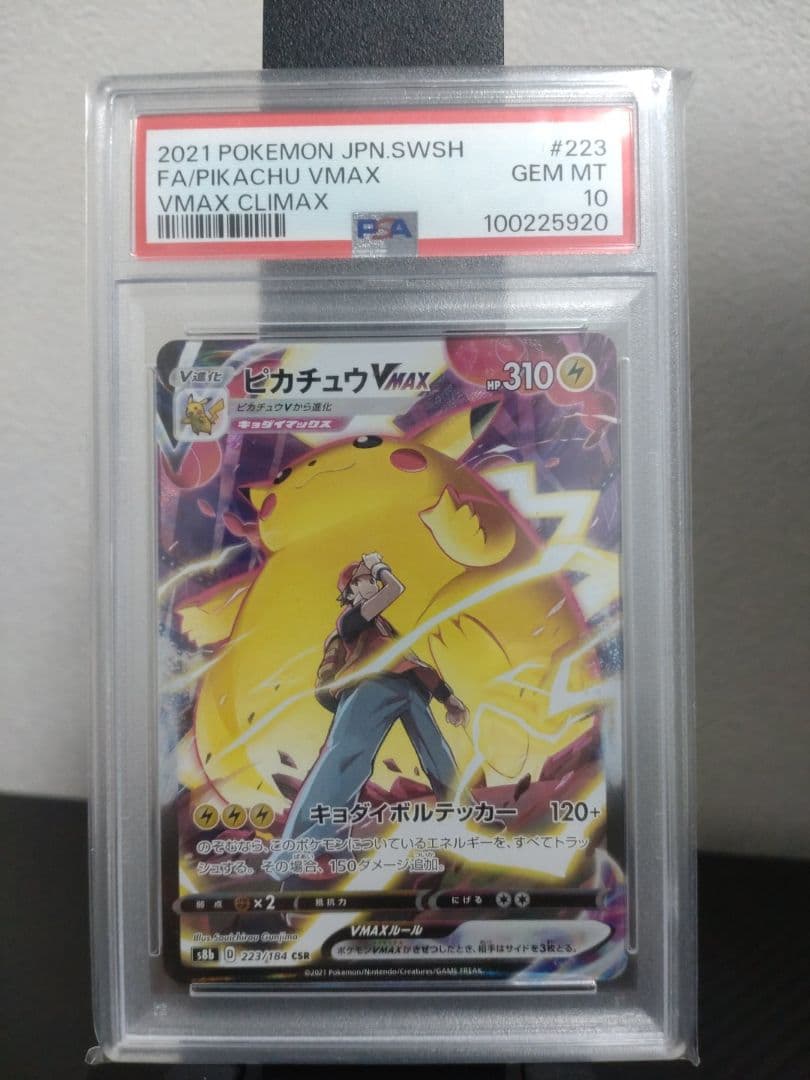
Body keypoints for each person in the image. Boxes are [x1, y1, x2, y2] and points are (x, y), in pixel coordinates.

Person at [279, 552, 468, 860]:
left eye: (369, 579)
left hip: (408, 689)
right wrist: (378, 567)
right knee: (344, 763)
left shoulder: (385, 629)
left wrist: (447, 697)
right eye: (363, 581)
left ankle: (466, 815)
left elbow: (412, 661)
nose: (371, 584)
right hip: (370, 688)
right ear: (350, 592)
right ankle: (295, 852)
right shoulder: (350, 621)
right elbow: (395, 590)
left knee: (438, 753)